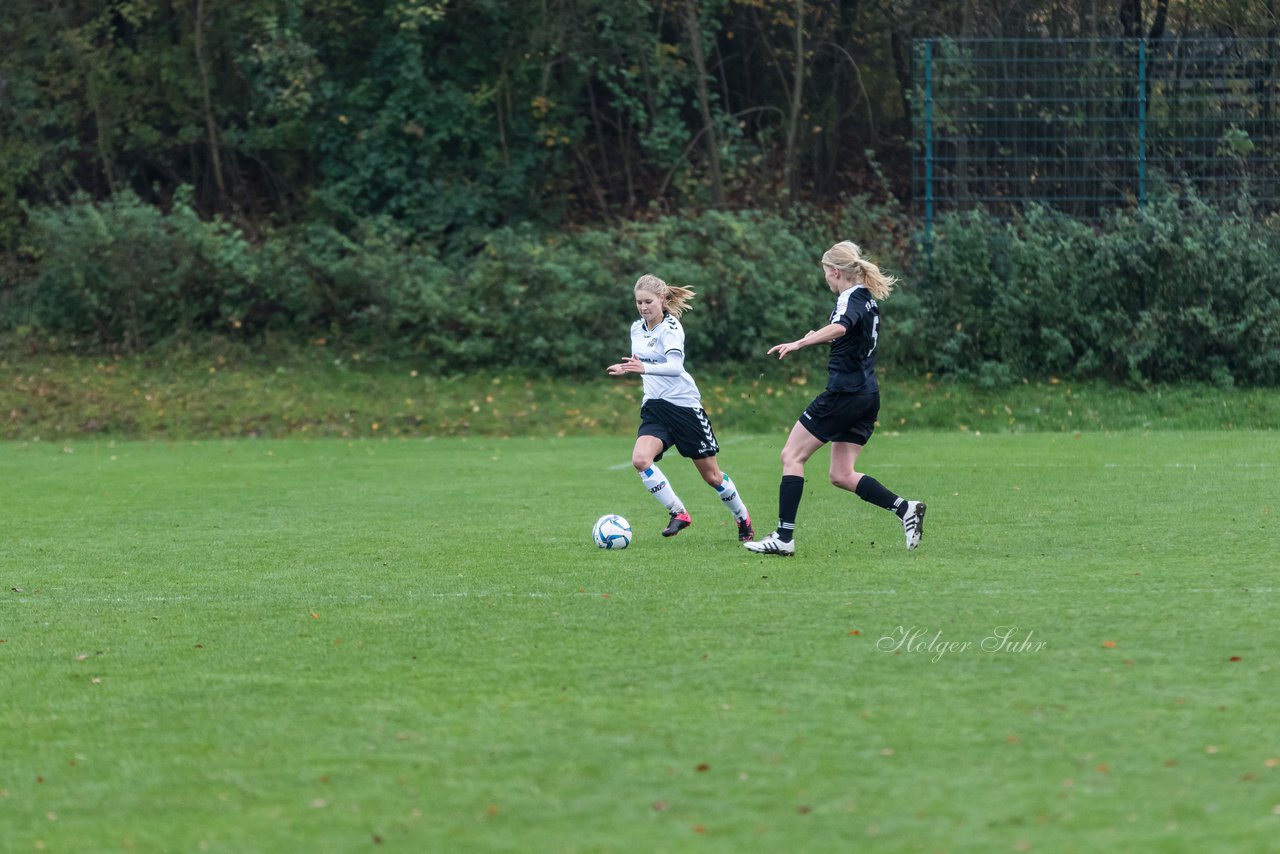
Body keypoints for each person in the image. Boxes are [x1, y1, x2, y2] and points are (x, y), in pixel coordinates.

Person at [744, 241, 925, 557]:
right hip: (867, 395)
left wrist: (803, 343)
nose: (826, 279)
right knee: (841, 474)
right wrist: (809, 338)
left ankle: (784, 538)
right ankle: (905, 508)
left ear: (836, 271)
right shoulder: (866, 298)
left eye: (826, 273)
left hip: (845, 393)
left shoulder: (850, 297)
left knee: (791, 456)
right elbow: (846, 331)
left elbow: (840, 327)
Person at [607, 274, 754, 542]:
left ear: (662, 299)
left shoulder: (671, 329)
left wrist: (644, 368)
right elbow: (643, 363)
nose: (643, 307)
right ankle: (679, 513)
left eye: (648, 301)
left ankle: (742, 516)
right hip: (654, 407)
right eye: (638, 302)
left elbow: (674, 368)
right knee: (640, 460)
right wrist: (628, 368)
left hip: (684, 408)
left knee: (712, 477)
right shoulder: (636, 328)